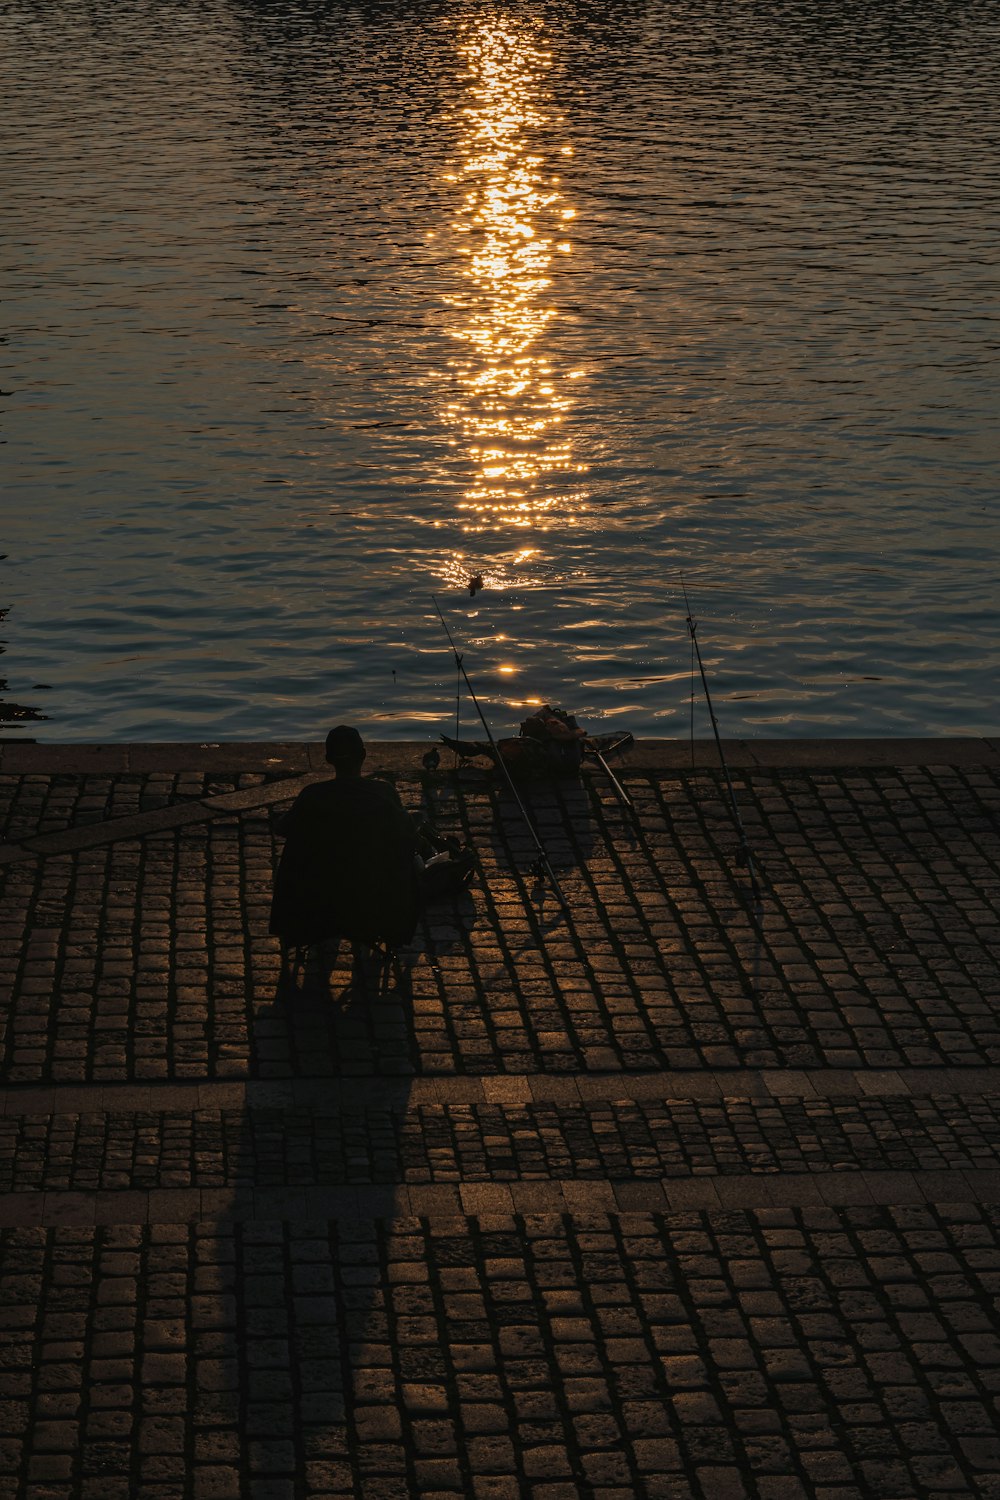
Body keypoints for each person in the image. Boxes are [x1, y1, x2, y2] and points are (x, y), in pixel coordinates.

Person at [269, 725, 421, 959]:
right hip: (373, 896)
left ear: (329, 759)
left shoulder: (313, 796)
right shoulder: (383, 793)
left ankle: (304, 929)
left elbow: (283, 829)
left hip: (320, 898)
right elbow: (407, 835)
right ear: (363, 755)